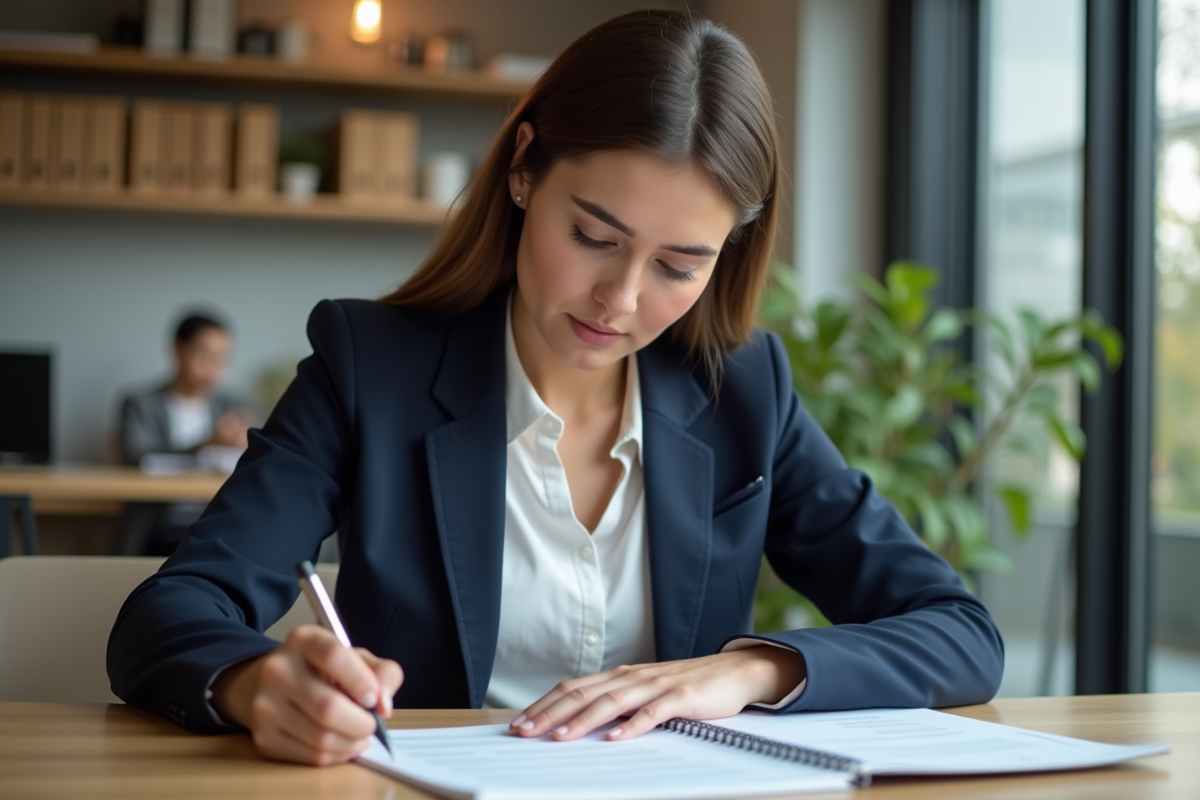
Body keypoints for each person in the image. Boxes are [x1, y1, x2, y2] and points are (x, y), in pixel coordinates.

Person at [108, 10, 1003, 766]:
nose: (620, 301)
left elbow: (959, 632)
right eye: (595, 236)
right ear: (524, 169)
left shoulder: (744, 392)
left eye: (679, 266)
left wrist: (747, 671)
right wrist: (263, 682)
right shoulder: (369, 367)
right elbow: (172, 612)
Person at [115, 311, 254, 554]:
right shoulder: (140, 403)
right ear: (178, 350)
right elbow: (136, 457)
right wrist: (208, 444)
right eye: (204, 355)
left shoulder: (233, 407)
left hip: (218, 524)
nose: (212, 368)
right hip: (157, 527)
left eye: (221, 359)